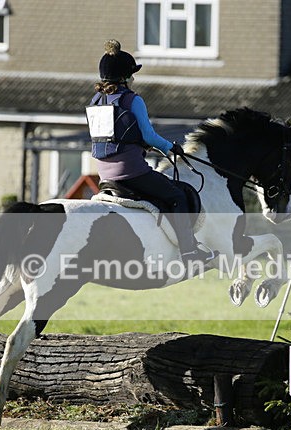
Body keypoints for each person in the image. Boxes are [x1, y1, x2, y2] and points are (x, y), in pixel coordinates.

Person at [88, 39, 215, 264]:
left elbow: (117, 135)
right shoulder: (132, 100)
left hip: (104, 174)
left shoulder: (97, 100)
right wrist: (171, 148)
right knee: (177, 195)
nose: (134, 79)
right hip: (131, 172)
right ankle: (189, 252)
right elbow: (148, 136)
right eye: (132, 75)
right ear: (125, 78)